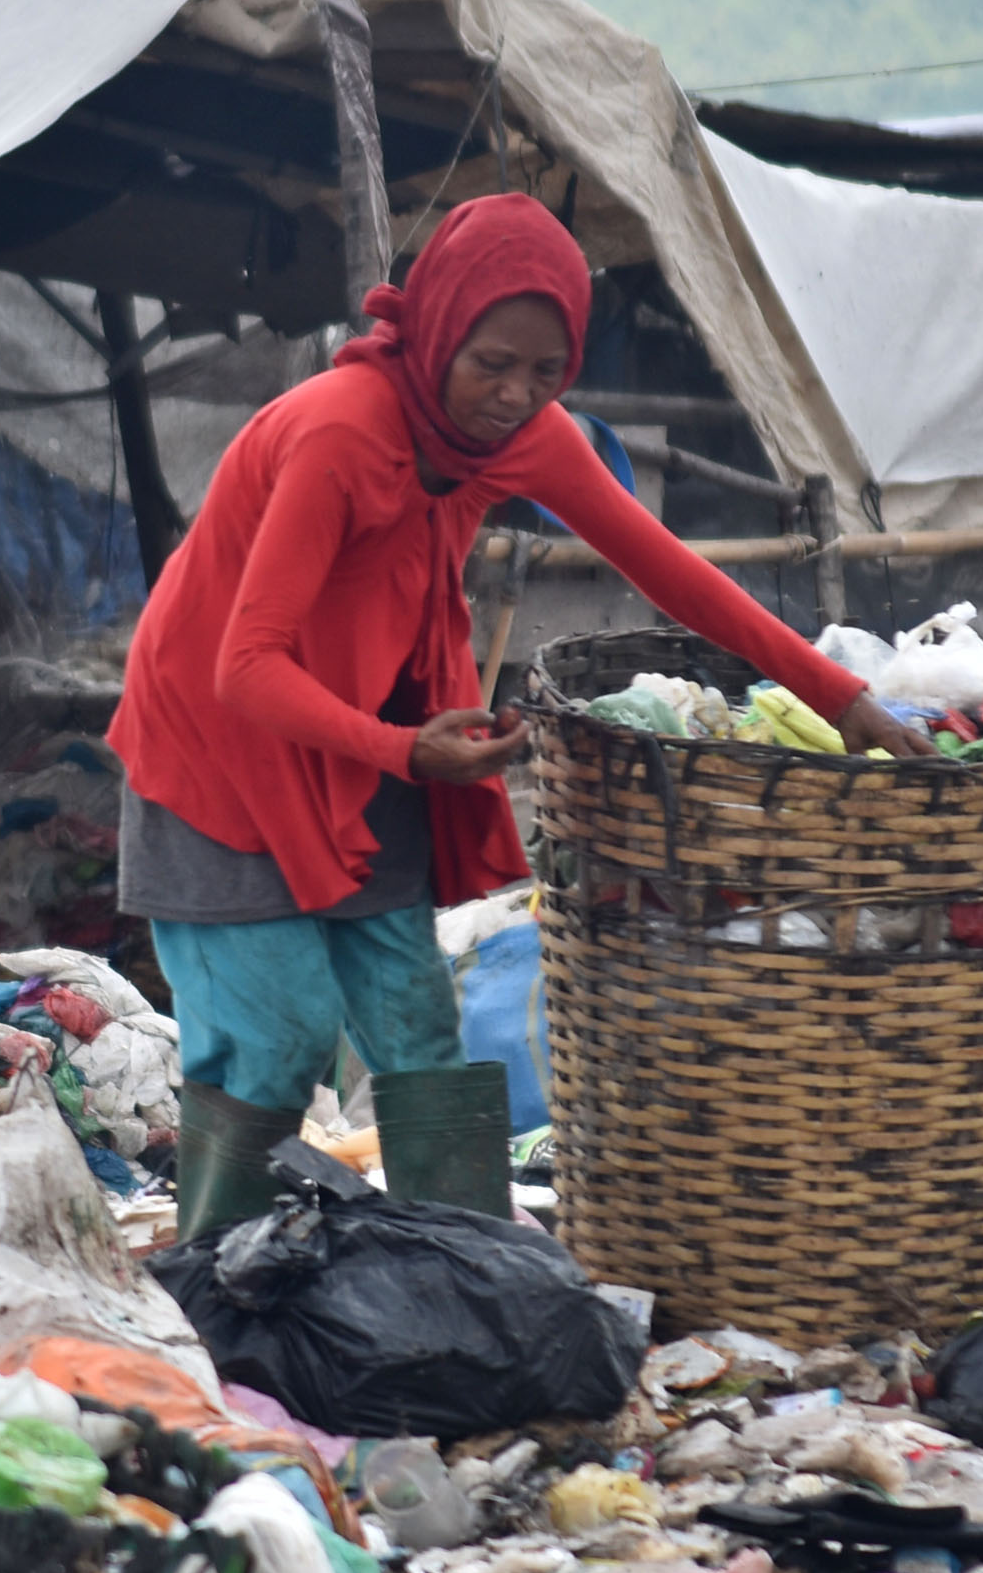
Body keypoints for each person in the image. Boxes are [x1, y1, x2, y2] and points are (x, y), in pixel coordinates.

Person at [107, 192, 914, 1233]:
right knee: (275, 1038)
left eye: (545, 372)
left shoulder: (527, 438)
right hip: (218, 749)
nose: (513, 394)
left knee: (416, 1027)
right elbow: (244, 667)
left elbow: (674, 577)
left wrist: (842, 698)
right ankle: (222, 1281)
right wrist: (402, 747)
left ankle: (468, 1267)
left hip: (377, 734)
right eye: (491, 361)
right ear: (439, 327)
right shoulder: (336, 435)